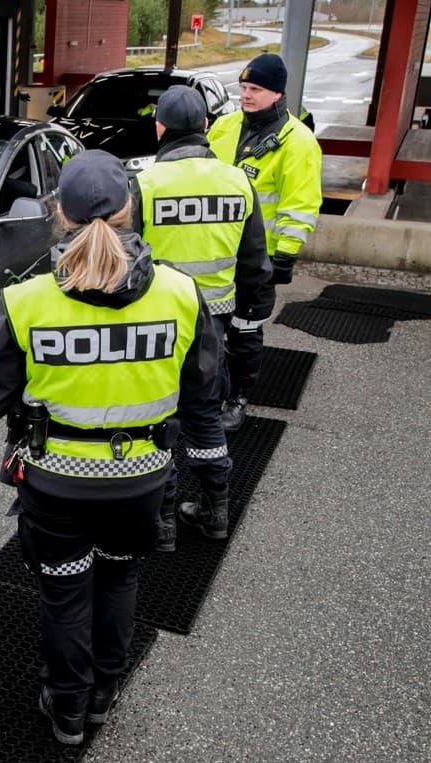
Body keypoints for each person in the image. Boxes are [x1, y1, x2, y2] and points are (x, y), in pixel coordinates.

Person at [0, 150, 223, 746]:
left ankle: (67, 709)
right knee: (118, 581)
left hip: (54, 482)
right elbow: (205, 388)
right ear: (129, 207)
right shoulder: (180, 293)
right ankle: (104, 695)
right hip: (143, 478)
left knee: (65, 594)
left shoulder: (27, 299)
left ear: (59, 213)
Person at [131, 85, 274, 549]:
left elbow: (129, 260)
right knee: (204, 414)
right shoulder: (237, 181)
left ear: (160, 127)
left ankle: (164, 521)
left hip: (159, 322)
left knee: (158, 418)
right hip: (214, 321)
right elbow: (254, 260)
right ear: (206, 126)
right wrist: (251, 315)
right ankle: (216, 511)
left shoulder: (146, 184)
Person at [207, 53, 323, 432]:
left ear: (277, 93)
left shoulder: (298, 142)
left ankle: (237, 398)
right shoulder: (224, 127)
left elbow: (300, 205)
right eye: (243, 87)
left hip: (257, 259)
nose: (246, 95)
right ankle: (205, 392)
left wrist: (285, 256)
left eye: (255, 89)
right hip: (214, 252)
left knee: (244, 331)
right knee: (207, 328)